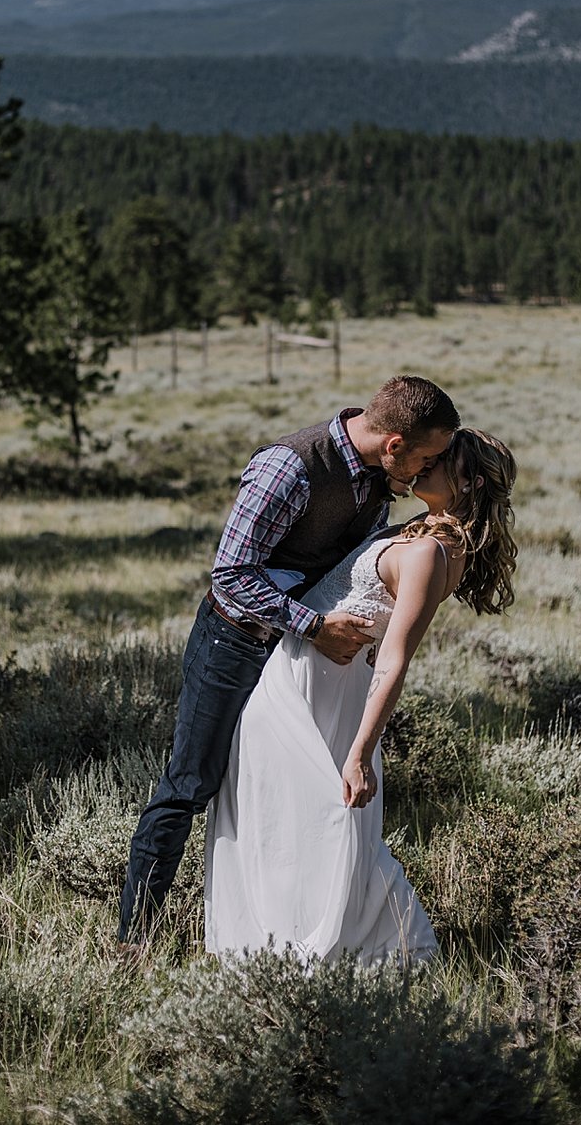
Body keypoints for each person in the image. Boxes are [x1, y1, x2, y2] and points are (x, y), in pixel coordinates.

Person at [119, 375, 460, 941]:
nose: (426, 471)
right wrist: (315, 626)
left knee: (276, 794)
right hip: (234, 645)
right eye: (425, 457)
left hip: (297, 662)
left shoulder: (379, 476)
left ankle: (277, 932)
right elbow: (231, 574)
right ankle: (135, 942)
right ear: (394, 442)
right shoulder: (291, 467)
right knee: (190, 787)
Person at [204, 428, 517, 966]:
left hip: (318, 695)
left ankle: (323, 955)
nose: (429, 463)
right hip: (311, 684)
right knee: (285, 822)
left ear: (470, 480)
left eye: (444, 460)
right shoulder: (427, 535)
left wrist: (360, 752)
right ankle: (280, 953)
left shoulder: (428, 553)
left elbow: (394, 658)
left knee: (314, 824)